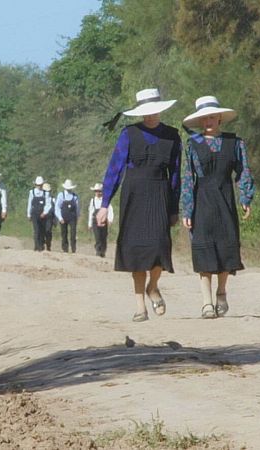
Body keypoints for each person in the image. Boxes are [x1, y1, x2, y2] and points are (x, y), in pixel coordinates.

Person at [97, 88, 181, 322]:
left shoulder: (173, 136)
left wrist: (174, 208)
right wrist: (104, 204)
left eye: (155, 111)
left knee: (158, 248)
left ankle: (152, 286)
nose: (151, 116)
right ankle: (140, 306)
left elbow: (175, 175)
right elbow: (115, 169)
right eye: (147, 112)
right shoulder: (129, 134)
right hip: (134, 194)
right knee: (136, 251)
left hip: (159, 193)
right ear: (141, 113)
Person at [181, 95, 255, 319]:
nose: (208, 121)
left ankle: (221, 292)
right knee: (203, 250)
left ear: (220, 118)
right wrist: (187, 208)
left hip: (225, 200)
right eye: (204, 118)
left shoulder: (235, 143)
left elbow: (243, 172)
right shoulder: (193, 144)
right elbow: (188, 178)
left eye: (212, 117)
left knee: (226, 248)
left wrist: (245, 197)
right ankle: (206, 302)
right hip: (201, 201)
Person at [88, 183, 114, 258]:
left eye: (99, 191)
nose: (98, 192)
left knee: (103, 236)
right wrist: (89, 223)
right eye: (96, 191)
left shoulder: (105, 200)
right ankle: (98, 251)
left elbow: (110, 209)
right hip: (95, 221)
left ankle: (103, 251)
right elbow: (91, 212)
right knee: (97, 236)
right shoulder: (92, 200)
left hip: (104, 221)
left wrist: (110, 219)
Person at [55, 179, 81, 253]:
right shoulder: (61, 195)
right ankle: (65, 249)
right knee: (64, 233)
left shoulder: (75, 196)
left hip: (72, 217)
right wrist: (60, 218)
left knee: (73, 233)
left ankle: (73, 249)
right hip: (63, 217)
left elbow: (77, 207)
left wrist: (78, 216)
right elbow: (57, 207)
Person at [26, 176, 51, 251]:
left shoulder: (45, 193)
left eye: (40, 185)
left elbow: (48, 204)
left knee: (42, 230)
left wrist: (45, 212)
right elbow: (30, 203)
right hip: (34, 213)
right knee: (36, 230)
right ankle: (37, 246)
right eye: (38, 185)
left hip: (42, 214)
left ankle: (41, 244)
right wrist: (28, 214)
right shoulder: (32, 192)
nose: (39, 186)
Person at [42, 183, 55, 251]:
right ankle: (43, 244)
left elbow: (55, 210)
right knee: (42, 231)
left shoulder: (53, 199)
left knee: (48, 231)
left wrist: (55, 220)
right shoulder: (41, 198)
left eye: (48, 191)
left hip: (49, 217)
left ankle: (48, 245)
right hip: (42, 216)